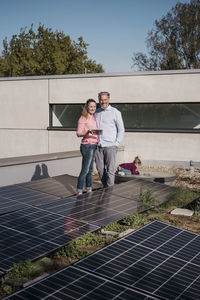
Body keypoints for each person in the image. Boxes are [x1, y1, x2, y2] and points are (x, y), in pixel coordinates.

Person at [95, 91, 125, 187]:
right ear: (99, 100)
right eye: (101, 100)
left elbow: (121, 129)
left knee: (110, 170)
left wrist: (116, 143)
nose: (103, 101)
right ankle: (105, 187)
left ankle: (110, 192)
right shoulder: (96, 112)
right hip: (98, 146)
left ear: (108, 100)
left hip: (110, 146)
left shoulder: (115, 112)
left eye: (105, 99)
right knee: (100, 169)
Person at [76, 99, 98, 195]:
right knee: (85, 170)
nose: (93, 108)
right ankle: (79, 190)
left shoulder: (94, 118)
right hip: (87, 145)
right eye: (91, 106)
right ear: (87, 107)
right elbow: (78, 133)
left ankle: (89, 188)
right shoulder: (83, 118)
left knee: (90, 170)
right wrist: (87, 132)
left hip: (94, 145)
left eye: (94, 106)